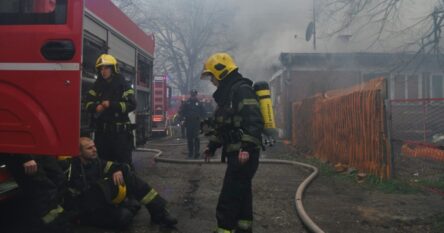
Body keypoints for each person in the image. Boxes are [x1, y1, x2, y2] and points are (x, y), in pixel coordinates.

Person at [200, 53, 264, 233]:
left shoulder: (241, 90)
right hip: (238, 152)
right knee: (242, 194)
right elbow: (224, 126)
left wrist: (247, 148)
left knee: (228, 197)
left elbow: (254, 120)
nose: (211, 80)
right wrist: (211, 147)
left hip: (244, 154)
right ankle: (244, 229)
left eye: (212, 75)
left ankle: (224, 229)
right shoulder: (228, 94)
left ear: (221, 72)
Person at [61, 137, 177, 229]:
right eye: (89, 148)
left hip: (99, 202)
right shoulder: (71, 168)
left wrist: (118, 170)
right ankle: (142, 209)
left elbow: (120, 166)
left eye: (94, 146)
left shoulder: (96, 162)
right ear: (79, 152)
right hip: (84, 206)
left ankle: (159, 210)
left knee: (125, 174)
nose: (94, 150)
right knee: (124, 217)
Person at [84, 54, 136, 165]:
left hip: (120, 135)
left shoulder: (123, 85)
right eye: (101, 69)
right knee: (103, 165)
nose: (103, 71)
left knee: (124, 166)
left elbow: (132, 104)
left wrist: (111, 105)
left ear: (113, 69)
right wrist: (95, 107)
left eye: (106, 68)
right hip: (102, 135)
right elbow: (87, 103)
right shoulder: (97, 86)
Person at [1, 154, 72, 233]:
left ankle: (59, 222)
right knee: (43, 192)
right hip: (18, 152)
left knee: (59, 179)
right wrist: (25, 157)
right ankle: (55, 228)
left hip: (37, 150)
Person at [178, 90, 206, 159]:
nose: (193, 96)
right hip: (189, 123)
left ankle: (197, 153)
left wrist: (203, 120)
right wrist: (181, 119)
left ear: (196, 95)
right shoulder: (187, 103)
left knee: (196, 137)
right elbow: (181, 112)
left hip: (196, 123)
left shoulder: (199, 103)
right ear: (191, 95)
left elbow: (203, 112)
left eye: (194, 95)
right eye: (192, 95)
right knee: (189, 138)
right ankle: (191, 152)